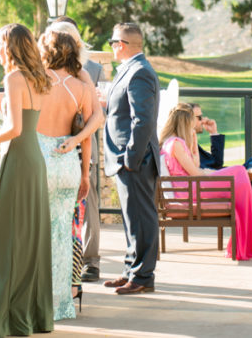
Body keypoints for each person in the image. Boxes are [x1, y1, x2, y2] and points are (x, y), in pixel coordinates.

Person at [0, 23, 53, 338]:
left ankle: (5, 320)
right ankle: (28, 315)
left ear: (9, 46)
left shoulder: (14, 77)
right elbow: (18, 115)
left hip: (17, 158)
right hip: (34, 160)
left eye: (0, 43)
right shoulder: (37, 77)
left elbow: (14, 127)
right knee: (28, 239)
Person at [37, 29, 103, 319]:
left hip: (38, 160)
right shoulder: (81, 86)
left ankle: (35, 300)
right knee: (63, 234)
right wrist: (85, 175)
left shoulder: (34, 80)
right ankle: (61, 302)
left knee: (35, 233)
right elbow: (88, 133)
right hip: (68, 164)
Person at [159, 105, 252, 259]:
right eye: (191, 123)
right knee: (239, 172)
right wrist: (213, 173)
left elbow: (194, 165)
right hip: (190, 189)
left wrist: (194, 141)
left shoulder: (174, 143)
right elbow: (195, 173)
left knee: (240, 176)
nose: (194, 126)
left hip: (189, 187)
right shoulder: (176, 144)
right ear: (184, 123)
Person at [102, 22, 159, 295]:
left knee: (141, 218)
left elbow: (143, 121)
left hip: (135, 159)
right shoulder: (130, 70)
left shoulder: (139, 73)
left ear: (121, 45)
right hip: (126, 159)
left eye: (113, 42)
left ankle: (142, 276)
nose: (112, 46)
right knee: (131, 218)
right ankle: (130, 270)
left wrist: (131, 158)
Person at [50, 16, 104, 283]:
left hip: (82, 142)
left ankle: (89, 260)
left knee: (87, 198)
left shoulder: (89, 70)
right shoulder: (42, 70)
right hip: (54, 144)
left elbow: (97, 114)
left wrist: (78, 139)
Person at [191, 103, 252, 232]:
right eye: (199, 117)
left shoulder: (189, 140)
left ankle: (249, 174)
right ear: (188, 119)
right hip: (214, 181)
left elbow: (216, 162)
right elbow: (201, 169)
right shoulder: (184, 143)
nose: (203, 120)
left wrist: (214, 132)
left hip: (218, 175)